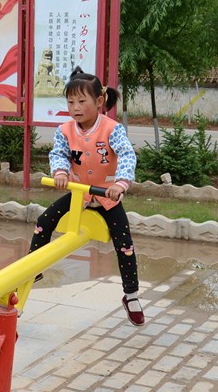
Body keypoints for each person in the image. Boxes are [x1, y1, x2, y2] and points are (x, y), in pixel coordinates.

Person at [29, 66, 144, 326]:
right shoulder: (65, 130)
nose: (76, 108)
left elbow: (127, 155)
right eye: (71, 102)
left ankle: (131, 294)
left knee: (124, 244)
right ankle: (33, 268)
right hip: (78, 193)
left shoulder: (112, 130)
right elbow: (58, 154)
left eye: (82, 101)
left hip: (106, 195)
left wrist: (121, 184)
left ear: (99, 101)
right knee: (43, 223)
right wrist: (60, 171)